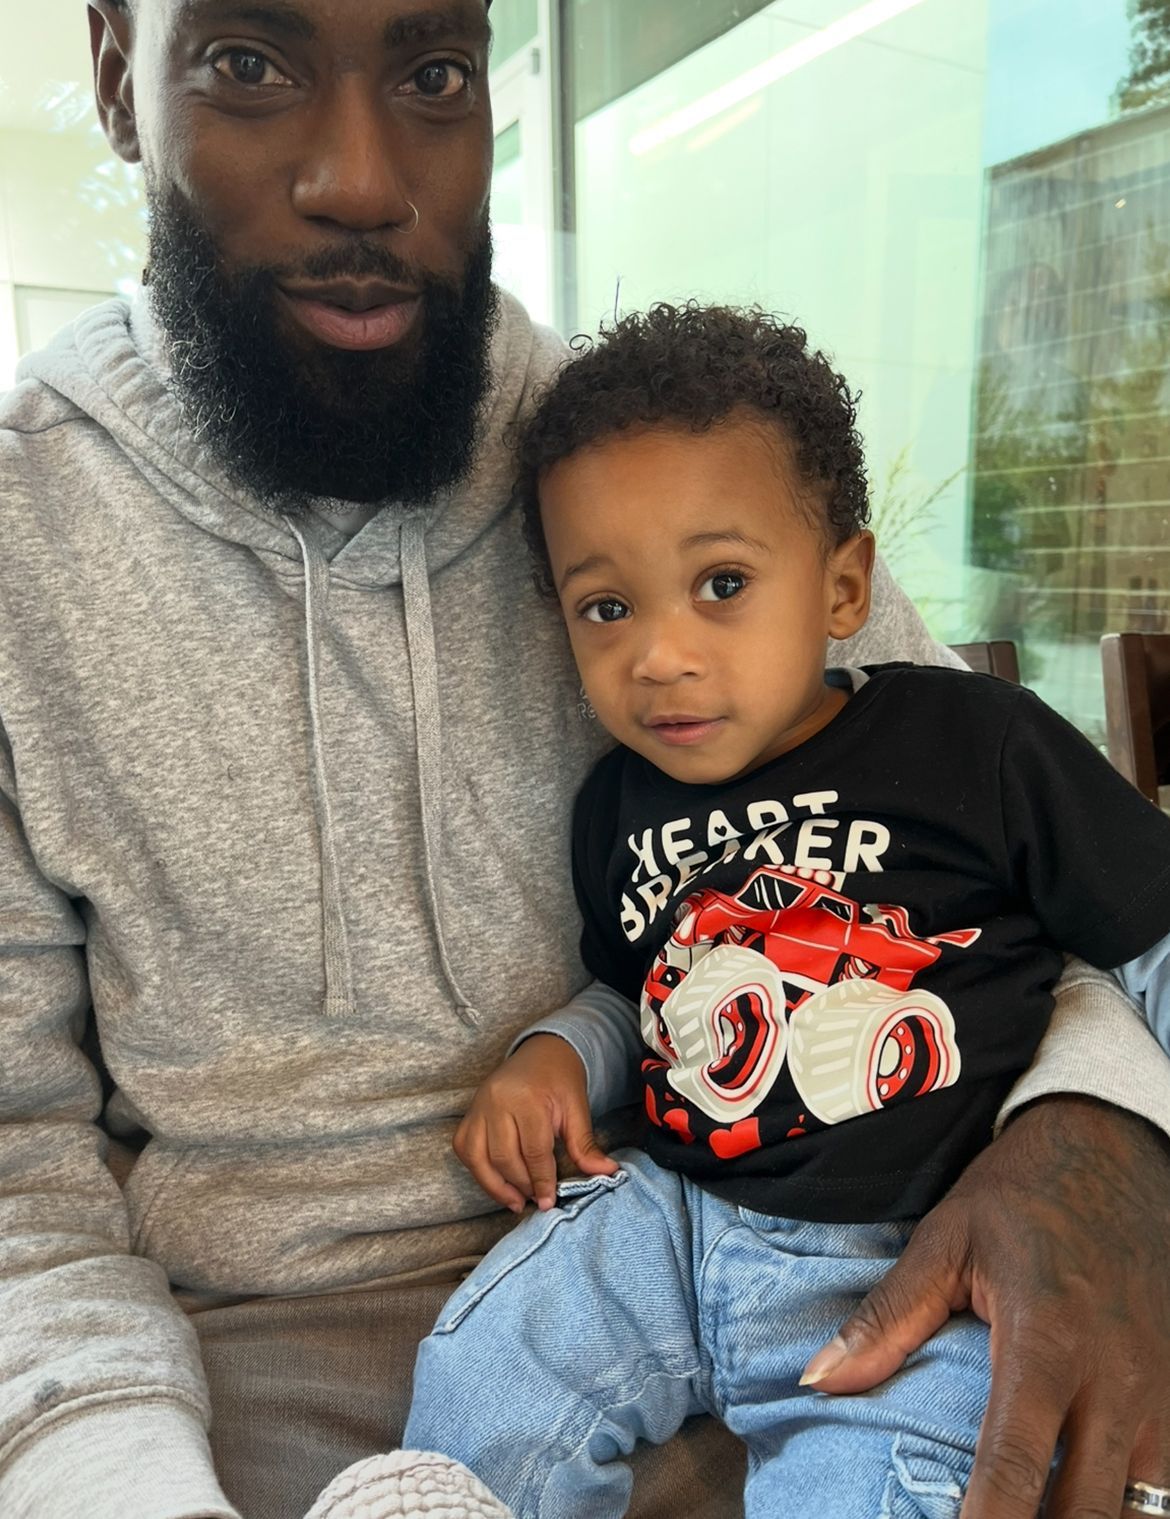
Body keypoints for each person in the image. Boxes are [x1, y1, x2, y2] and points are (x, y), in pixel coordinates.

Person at [0, 2, 1167, 1516]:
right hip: (256, 1372)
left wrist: (1100, 1127)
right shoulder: (28, 537)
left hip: (864, 1281)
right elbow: (17, 1161)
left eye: (433, 74)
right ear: (115, 78)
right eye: (248, 62)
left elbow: (984, 884)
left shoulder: (675, 465)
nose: (359, 174)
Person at [395, 304, 1170, 1518]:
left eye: (721, 585)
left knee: (896, 1478)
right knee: (493, 1357)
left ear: (844, 584)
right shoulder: (616, 807)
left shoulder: (971, 739)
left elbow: (1150, 927)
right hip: (666, 1213)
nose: (658, 654)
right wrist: (558, 1051)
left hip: (910, 1247)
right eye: (607, 606)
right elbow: (635, 986)